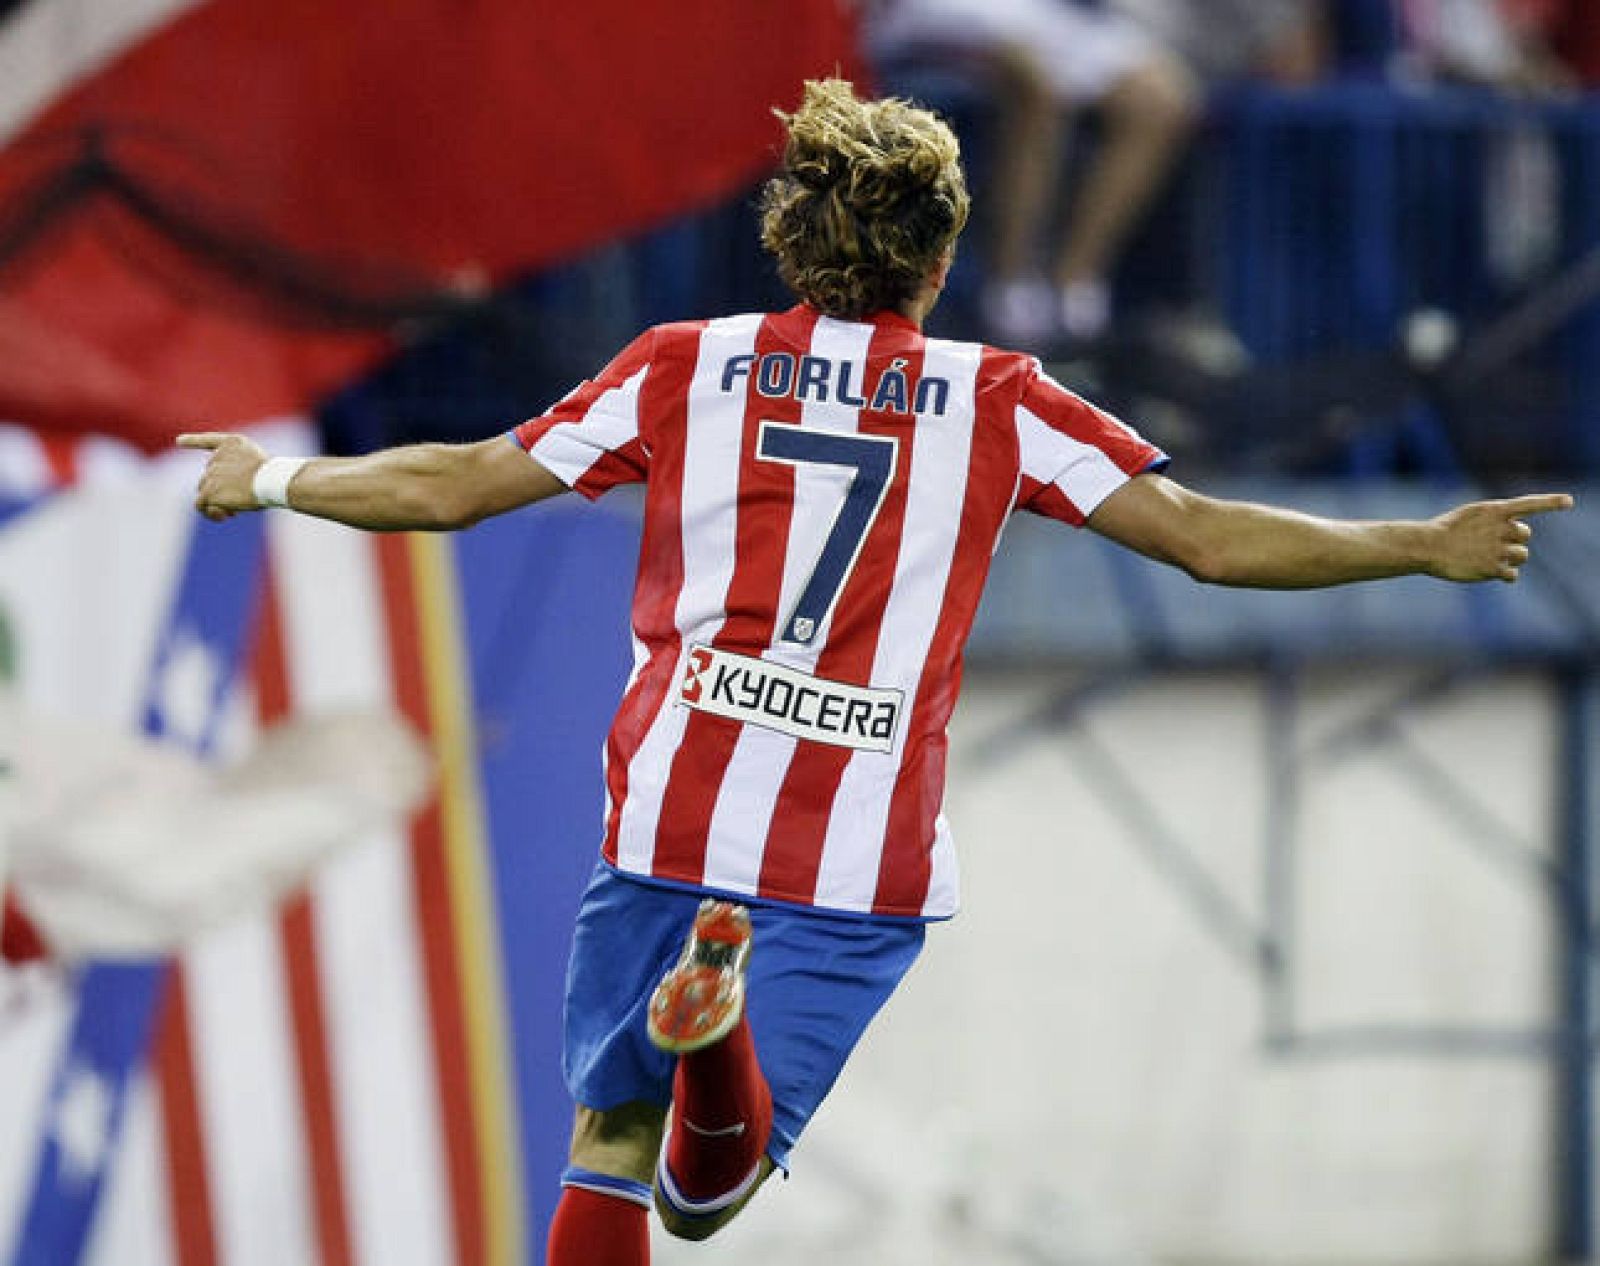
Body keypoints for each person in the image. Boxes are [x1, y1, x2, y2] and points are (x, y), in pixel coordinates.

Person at [179, 79, 1571, 1264]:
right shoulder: (1000, 402)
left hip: (672, 812)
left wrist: (274, 475)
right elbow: (1205, 540)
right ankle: (715, 1041)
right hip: (853, 860)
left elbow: (454, 486)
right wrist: (1418, 542)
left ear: (792, 237)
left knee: (607, 1141)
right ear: (941, 257)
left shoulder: (685, 365)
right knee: (703, 1193)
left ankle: (694, 1024)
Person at [867, 0, 1200, 346]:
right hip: (946, 10)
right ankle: (1010, 288)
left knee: (1160, 101)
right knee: (1037, 83)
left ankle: (1075, 286)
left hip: (1044, 13)